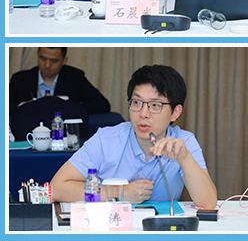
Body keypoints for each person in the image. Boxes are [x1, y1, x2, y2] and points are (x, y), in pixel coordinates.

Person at [50, 65, 217, 208]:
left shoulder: (183, 142)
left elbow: (208, 203)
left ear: (175, 112)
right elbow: (56, 188)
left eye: (155, 105)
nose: (143, 114)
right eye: (137, 103)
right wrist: (118, 193)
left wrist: (185, 158)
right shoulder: (106, 139)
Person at [9, 47, 110, 115]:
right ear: (37, 54)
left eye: (54, 61)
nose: (47, 65)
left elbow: (102, 104)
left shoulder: (75, 77)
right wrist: (24, 105)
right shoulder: (20, 79)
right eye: (43, 59)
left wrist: (66, 107)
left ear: (64, 60)